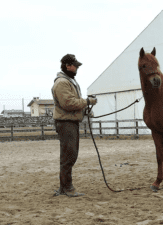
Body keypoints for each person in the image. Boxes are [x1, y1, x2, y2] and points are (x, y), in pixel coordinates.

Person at [51, 54, 97, 197]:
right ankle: (67, 188)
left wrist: (85, 111)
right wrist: (87, 102)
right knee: (69, 155)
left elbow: (72, 102)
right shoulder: (62, 83)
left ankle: (63, 187)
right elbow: (68, 103)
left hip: (70, 122)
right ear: (68, 66)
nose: (77, 68)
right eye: (75, 66)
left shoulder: (69, 81)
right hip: (66, 123)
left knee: (68, 155)